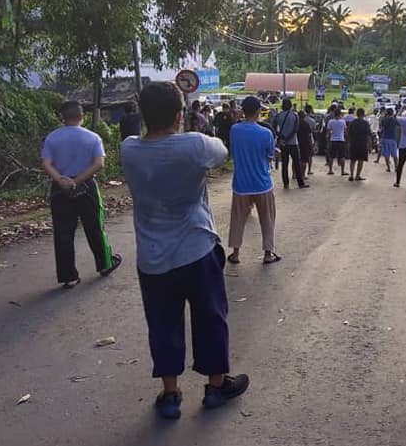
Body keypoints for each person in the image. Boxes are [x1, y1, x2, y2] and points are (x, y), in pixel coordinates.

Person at [120, 81, 249, 419]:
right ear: (179, 116)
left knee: (163, 324)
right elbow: (221, 151)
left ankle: (171, 393)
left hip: (152, 257)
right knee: (210, 318)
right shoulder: (194, 146)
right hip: (196, 249)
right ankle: (216, 387)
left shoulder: (129, 150)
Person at [41, 101, 122, 288]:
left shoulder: (52, 138)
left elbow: (46, 163)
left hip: (60, 189)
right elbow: (99, 163)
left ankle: (68, 276)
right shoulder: (92, 138)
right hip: (86, 187)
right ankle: (104, 264)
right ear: (82, 116)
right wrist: (77, 181)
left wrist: (61, 179)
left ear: (62, 117)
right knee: (95, 227)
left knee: (63, 232)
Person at [227, 96, 280, 265]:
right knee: (268, 219)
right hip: (262, 184)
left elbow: (234, 150)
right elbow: (270, 155)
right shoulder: (266, 133)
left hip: (241, 185)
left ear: (243, 111)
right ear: (258, 111)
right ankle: (268, 253)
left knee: (237, 219)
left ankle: (235, 253)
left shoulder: (234, 130)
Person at [274, 98, 307, 190]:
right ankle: (300, 183)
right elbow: (296, 129)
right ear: (291, 105)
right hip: (293, 143)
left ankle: (286, 184)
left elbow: (273, 127)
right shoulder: (294, 116)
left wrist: (281, 136)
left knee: (284, 164)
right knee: (296, 163)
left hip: (283, 143)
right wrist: (288, 137)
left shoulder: (278, 116)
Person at [347, 108, 371, 181]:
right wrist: (369, 145)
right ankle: (357, 175)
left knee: (353, 160)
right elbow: (368, 135)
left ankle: (351, 175)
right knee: (361, 160)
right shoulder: (366, 123)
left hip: (353, 143)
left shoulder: (352, 122)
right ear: (363, 114)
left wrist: (348, 142)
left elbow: (349, 133)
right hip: (362, 144)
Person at [326, 106, 347, 176]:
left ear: (334, 114)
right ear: (340, 114)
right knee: (342, 156)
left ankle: (330, 170)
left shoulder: (331, 122)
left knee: (331, 156)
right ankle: (342, 171)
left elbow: (328, 131)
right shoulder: (343, 121)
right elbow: (345, 130)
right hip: (341, 140)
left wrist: (329, 136)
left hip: (333, 140)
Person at [378, 107, 400, 173]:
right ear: (392, 113)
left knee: (386, 154)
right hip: (393, 138)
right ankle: (396, 167)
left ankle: (388, 168)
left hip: (385, 137)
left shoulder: (384, 119)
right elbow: (399, 125)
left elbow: (381, 126)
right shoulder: (394, 119)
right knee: (394, 154)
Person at [298, 110, 315, 178]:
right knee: (304, 160)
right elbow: (309, 134)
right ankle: (303, 175)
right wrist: (311, 143)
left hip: (296, 143)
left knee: (296, 159)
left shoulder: (295, 123)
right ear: (304, 116)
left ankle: (294, 174)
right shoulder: (306, 124)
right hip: (305, 143)